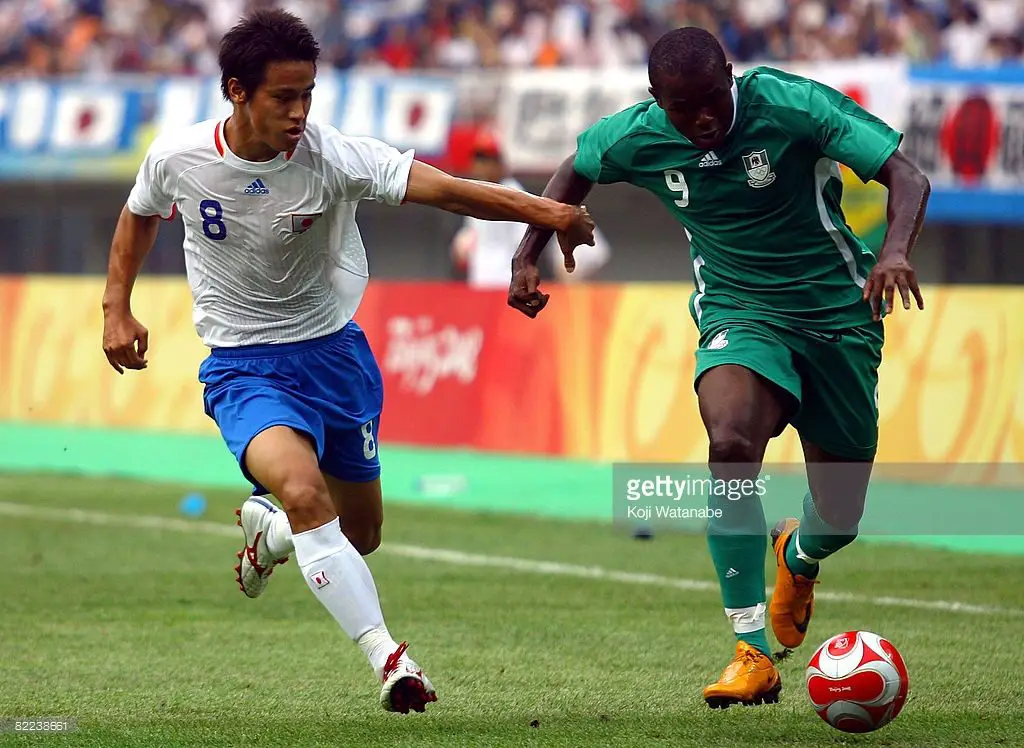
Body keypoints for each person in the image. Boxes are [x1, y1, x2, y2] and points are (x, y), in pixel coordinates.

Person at [100, 8, 595, 715]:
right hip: (243, 367)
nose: (299, 112)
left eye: (307, 94)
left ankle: (271, 533)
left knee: (358, 533)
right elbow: (139, 213)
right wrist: (116, 307)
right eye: (283, 97)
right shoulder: (178, 157)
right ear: (237, 91)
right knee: (305, 494)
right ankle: (391, 660)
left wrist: (547, 213)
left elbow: (447, 190)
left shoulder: (332, 157)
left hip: (334, 358)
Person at [508, 27, 930, 709]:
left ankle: (798, 554)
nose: (702, 119)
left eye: (712, 100)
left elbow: (907, 175)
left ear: (729, 75)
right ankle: (751, 651)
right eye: (683, 108)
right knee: (730, 443)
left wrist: (895, 252)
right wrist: (528, 251)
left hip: (839, 316)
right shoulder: (639, 134)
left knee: (840, 516)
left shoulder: (791, 106)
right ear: (658, 100)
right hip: (739, 310)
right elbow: (575, 167)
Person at [450, 129, 611, 287]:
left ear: (498, 162)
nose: (480, 166)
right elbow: (470, 237)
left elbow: (524, 240)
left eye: (486, 159)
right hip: (479, 279)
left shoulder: (512, 192)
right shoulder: (476, 192)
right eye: (478, 159)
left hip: (504, 279)